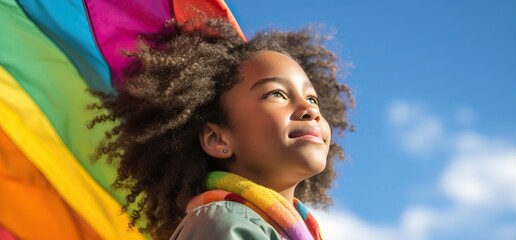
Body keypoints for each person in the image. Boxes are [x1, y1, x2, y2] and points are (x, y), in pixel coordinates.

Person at [89, 17, 354, 239]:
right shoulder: (224, 222)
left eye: (312, 98)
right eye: (276, 94)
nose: (310, 110)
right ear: (217, 139)